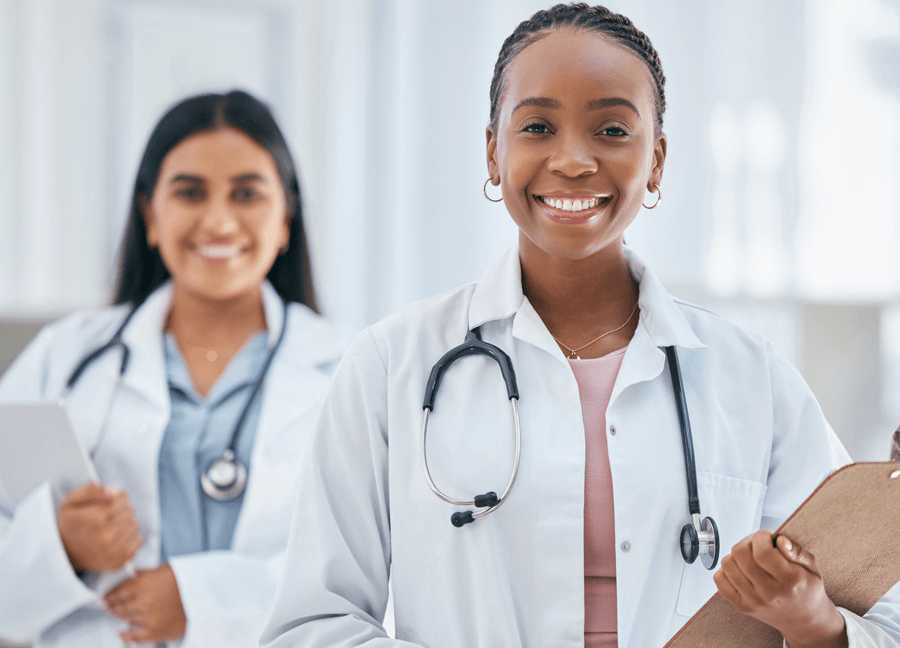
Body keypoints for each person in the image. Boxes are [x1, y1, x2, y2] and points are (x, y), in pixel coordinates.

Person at [259, 4, 900, 648]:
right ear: (493, 151)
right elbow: (312, 625)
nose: (572, 160)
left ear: (656, 160)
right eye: (537, 125)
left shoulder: (750, 376)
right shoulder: (390, 364)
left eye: (613, 130)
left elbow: (881, 612)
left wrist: (814, 623)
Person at [0, 90, 354, 647]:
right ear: (150, 216)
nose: (217, 221)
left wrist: (200, 599)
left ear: (285, 219)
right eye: (189, 192)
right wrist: (60, 549)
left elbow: (384, 571)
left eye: (246, 194)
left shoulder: (354, 369)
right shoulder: (65, 357)